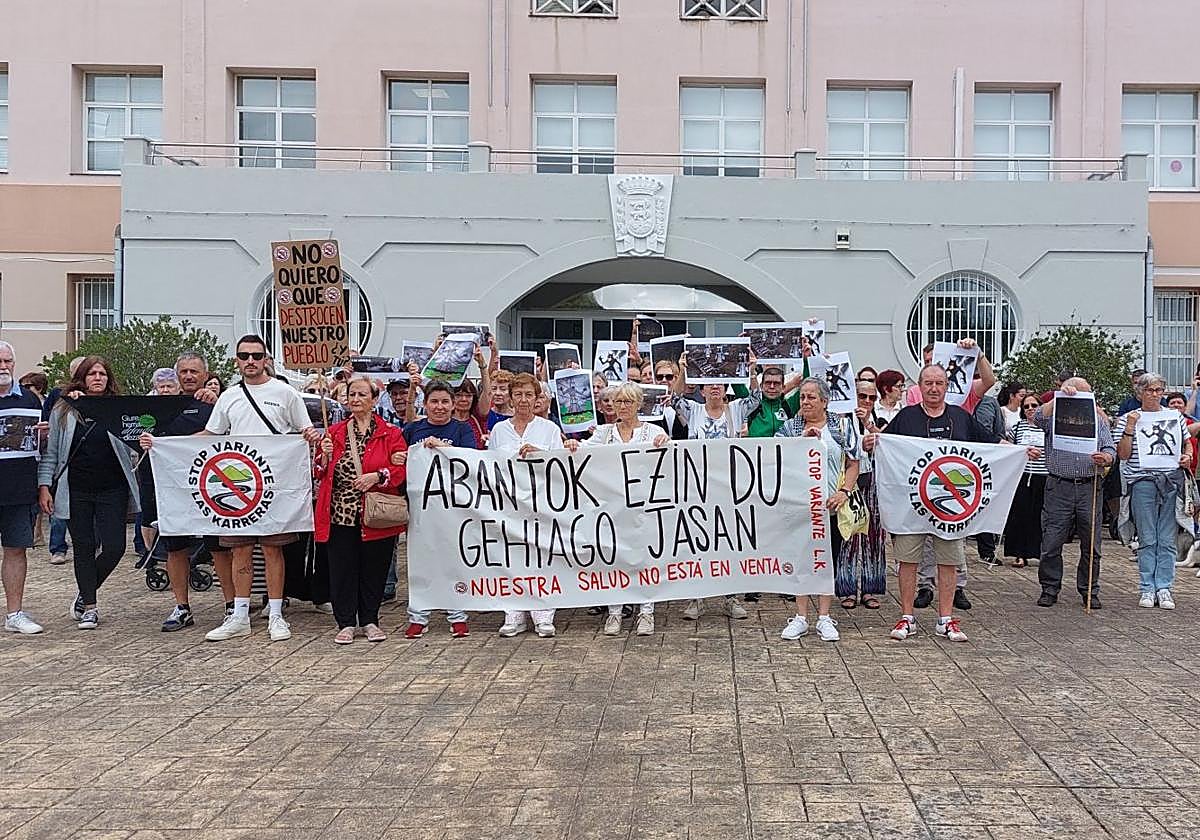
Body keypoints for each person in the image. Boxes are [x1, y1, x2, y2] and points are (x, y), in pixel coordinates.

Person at [195, 336, 322, 642]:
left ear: (265, 359)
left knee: (271, 549)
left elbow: (303, 430)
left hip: (274, 483)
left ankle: (276, 614)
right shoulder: (229, 397)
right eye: (244, 356)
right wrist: (163, 444)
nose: (250, 361)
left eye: (256, 355)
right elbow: (210, 435)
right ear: (236, 360)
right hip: (239, 483)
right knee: (239, 549)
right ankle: (239, 615)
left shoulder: (286, 393)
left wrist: (311, 436)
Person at [866, 363, 998, 643]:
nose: (934, 388)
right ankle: (907, 616)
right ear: (920, 386)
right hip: (911, 504)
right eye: (928, 383)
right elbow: (886, 443)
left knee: (948, 562)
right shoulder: (906, 416)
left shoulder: (961, 417)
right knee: (907, 561)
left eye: (939, 383)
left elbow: (991, 444)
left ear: (946, 386)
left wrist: (1021, 451)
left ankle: (946, 619)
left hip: (950, 508)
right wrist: (872, 442)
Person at [38, 356, 139, 630]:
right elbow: (52, 453)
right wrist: (45, 485)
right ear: (82, 377)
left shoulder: (119, 409)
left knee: (115, 546)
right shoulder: (65, 410)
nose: (98, 378)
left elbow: (132, 445)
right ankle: (90, 607)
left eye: (102, 374)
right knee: (83, 546)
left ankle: (85, 591)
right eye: (92, 373)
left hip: (112, 487)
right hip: (77, 488)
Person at [565, 382, 671, 636]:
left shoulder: (652, 430)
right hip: (613, 506)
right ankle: (615, 611)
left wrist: (665, 442)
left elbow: (671, 458)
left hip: (644, 506)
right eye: (618, 401)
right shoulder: (605, 432)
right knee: (614, 557)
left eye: (627, 401)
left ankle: (646, 611)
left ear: (638, 404)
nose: (622, 406)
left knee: (645, 558)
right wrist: (571, 446)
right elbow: (584, 449)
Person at [137, 351, 231, 631]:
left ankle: (230, 606)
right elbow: (137, 433)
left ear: (206, 374)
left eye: (194, 372)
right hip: (171, 489)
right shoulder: (158, 408)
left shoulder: (217, 406)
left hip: (211, 487)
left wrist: (217, 400)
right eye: (183, 372)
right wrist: (143, 440)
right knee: (175, 548)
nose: (189, 376)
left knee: (219, 549)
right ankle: (182, 607)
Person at [314, 376, 407, 644]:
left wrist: (377, 476)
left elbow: (401, 470)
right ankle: (345, 622)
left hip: (374, 513)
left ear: (374, 400)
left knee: (374, 568)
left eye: (362, 395)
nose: (355, 399)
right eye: (351, 394)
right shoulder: (334, 433)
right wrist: (323, 455)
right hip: (340, 512)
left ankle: (370, 620)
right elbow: (320, 473)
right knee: (342, 568)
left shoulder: (391, 432)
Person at [776, 378, 860, 642]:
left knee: (828, 561)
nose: (805, 402)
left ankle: (824, 617)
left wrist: (843, 492)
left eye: (812, 397)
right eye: (802, 397)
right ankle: (800, 617)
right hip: (801, 508)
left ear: (825, 401)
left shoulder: (843, 426)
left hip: (832, 508)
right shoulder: (790, 427)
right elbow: (778, 458)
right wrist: (801, 441)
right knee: (801, 560)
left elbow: (853, 463)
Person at [671, 363, 757, 621]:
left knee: (729, 541)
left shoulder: (737, 409)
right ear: (703, 389)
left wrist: (752, 370)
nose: (715, 387)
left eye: (719, 383)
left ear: (725, 388)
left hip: (730, 487)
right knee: (698, 541)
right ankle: (697, 598)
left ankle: (730, 598)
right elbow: (675, 398)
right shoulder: (693, 410)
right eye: (710, 384)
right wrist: (683, 370)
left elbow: (756, 397)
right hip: (698, 486)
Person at [489, 373, 565, 638]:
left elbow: (561, 467)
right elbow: (488, 467)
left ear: (537, 399)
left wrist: (540, 454)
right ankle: (514, 613)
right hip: (509, 504)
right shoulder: (499, 430)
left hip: (541, 503)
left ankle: (544, 615)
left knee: (543, 558)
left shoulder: (550, 429)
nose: (523, 400)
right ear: (511, 398)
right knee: (512, 558)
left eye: (529, 395)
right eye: (518, 394)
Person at [1032, 379, 1116, 606]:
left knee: (1091, 542)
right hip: (1059, 484)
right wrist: (1059, 396)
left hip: (1090, 485)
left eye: (1084, 394)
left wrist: (1106, 457)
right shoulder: (1054, 415)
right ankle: (1049, 588)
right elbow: (1037, 417)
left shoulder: (1098, 419)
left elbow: (1110, 448)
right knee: (1051, 540)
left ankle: (1090, 590)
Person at [403, 381, 477, 639]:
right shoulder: (413, 429)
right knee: (420, 560)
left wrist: (444, 448)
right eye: (434, 401)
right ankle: (418, 615)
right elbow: (400, 459)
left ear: (453, 404)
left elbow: (473, 459)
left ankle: (457, 615)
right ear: (425, 404)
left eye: (445, 401)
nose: (440, 407)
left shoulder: (461, 429)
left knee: (453, 560)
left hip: (453, 508)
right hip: (421, 508)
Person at [1115, 372, 1188, 609]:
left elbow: (1186, 443)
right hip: (1142, 481)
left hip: (1170, 481)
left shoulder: (1174, 417)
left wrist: (1187, 455)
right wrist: (1130, 428)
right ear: (1140, 393)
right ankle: (1147, 587)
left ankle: (1164, 587)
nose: (1154, 395)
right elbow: (1123, 454)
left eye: (1158, 390)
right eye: (1149, 390)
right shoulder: (1128, 417)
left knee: (1167, 538)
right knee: (1147, 537)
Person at [0, 342, 47, 634]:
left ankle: (14, 614)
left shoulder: (31, 400)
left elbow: (39, 450)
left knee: (16, 550)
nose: (3, 367)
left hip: (18, 490)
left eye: (7, 361)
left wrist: (43, 437)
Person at [837, 380, 886, 610]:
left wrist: (869, 425)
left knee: (874, 536)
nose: (866, 401)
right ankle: (846, 589)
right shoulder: (840, 420)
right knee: (849, 534)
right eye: (862, 396)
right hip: (850, 482)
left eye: (871, 397)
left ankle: (870, 589)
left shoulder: (879, 418)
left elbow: (889, 443)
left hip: (874, 482)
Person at [1003, 394, 1048, 569]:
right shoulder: (1017, 427)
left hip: (1043, 476)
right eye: (1026, 406)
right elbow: (1010, 448)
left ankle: (1040, 553)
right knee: (1019, 515)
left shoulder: (1047, 427)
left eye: (1034, 405)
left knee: (1041, 516)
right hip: (1022, 476)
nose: (1030, 409)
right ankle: (1019, 554)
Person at [904, 339, 996, 412]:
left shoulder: (967, 388)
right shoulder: (915, 391)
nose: (930, 364)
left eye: (933, 359)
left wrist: (978, 354)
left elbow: (989, 381)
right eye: (926, 361)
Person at [451, 380, 487, 448]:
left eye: (468, 396)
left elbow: (487, 392)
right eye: (458, 395)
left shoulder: (479, 417)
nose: (464, 399)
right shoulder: (443, 420)